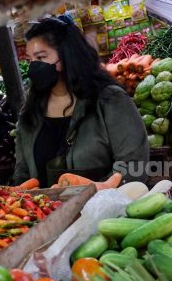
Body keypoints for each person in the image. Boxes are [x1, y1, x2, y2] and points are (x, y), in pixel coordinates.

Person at [13, 16, 149, 187]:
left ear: (66, 55)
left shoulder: (110, 101)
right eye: (29, 60)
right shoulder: (31, 110)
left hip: (104, 209)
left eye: (40, 57)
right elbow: (22, 171)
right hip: (45, 211)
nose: (34, 66)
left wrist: (98, 193)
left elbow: (133, 164)